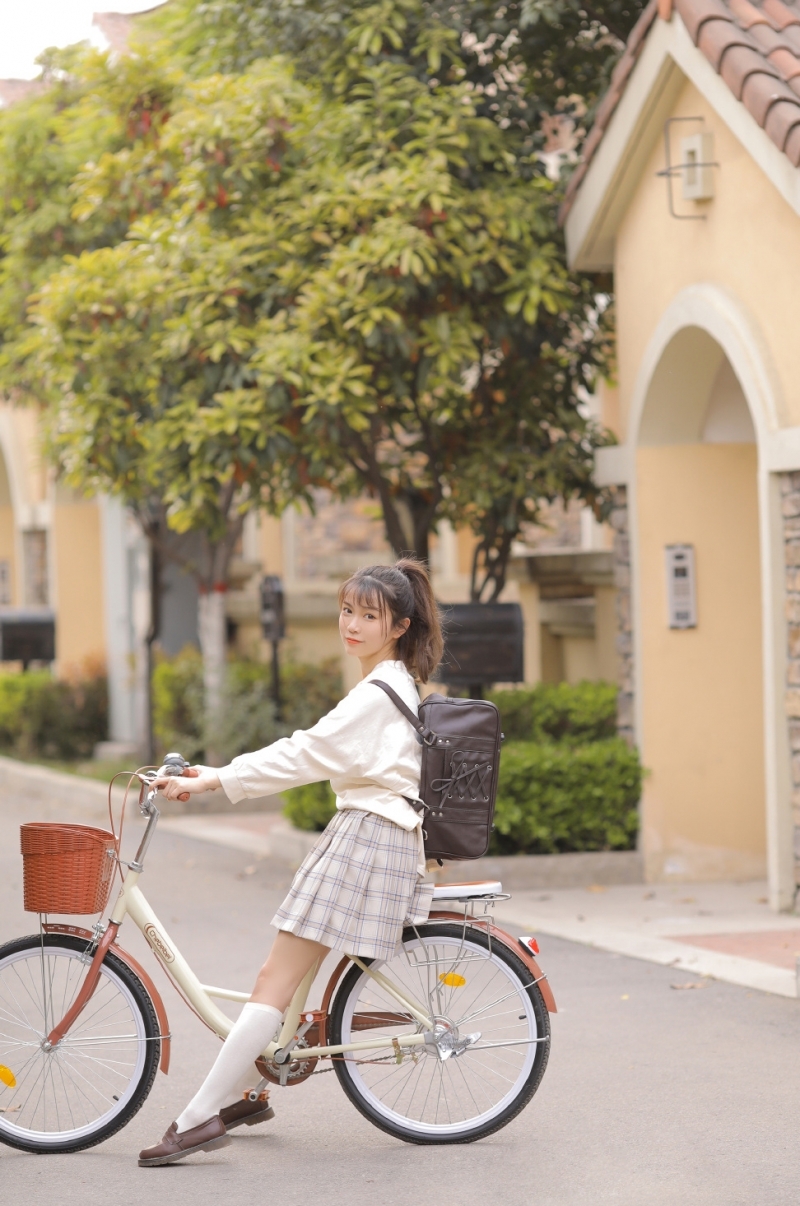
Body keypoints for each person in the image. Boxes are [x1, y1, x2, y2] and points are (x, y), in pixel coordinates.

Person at [138, 558, 443, 1167]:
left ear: (400, 626)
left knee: (272, 982)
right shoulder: (394, 684)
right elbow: (311, 750)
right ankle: (250, 1092)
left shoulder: (377, 694)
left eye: (369, 615)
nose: (351, 624)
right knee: (285, 979)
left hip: (368, 837)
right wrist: (218, 776)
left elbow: (303, 753)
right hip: (374, 834)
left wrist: (216, 780)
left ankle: (197, 1119)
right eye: (347, 610)